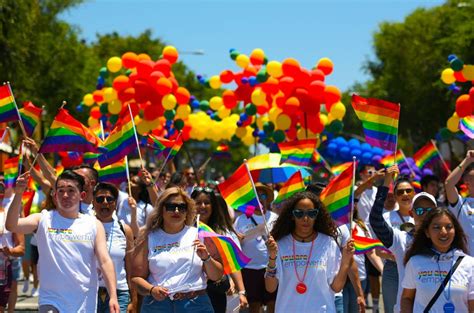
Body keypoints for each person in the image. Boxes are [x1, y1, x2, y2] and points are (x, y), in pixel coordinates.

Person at [6, 171, 119, 312]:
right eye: (61, 191)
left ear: (82, 196)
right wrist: (18, 193)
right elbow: (11, 225)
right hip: (51, 300)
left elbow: (104, 261)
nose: (65, 195)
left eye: (71, 191)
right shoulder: (43, 219)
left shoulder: (94, 225)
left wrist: (113, 296)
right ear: (54, 195)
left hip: (84, 301)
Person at [132, 187, 223, 313]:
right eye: (171, 206)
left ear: (187, 211)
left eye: (182, 207)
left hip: (196, 305)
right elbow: (136, 278)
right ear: (161, 209)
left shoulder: (199, 234)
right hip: (158, 306)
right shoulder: (148, 237)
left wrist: (206, 258)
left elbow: (216, 276)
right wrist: (151, 290)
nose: (176, 211)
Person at [264, 191, 355, 312]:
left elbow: (336, 287)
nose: (305, 218)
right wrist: (272, 257)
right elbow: (270, 288)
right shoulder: (280, 245)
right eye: (299, 213)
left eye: (311, 213)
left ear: (317, 215)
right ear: (292, 215)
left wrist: (346, 261)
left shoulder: (328, 243)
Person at [369, 165, 437, 312]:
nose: (425, 214)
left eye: (430, 210)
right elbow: (375, 219)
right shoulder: (402, 239)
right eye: (419, 210)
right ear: (412, 214)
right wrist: (386, 183)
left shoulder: (445, 241)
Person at [401, 208, 474, 311]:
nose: (443, 232)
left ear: (455, 231)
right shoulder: (415, 262)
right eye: (436, 227)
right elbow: (407, 298)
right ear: (427, 232)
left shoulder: (469, 264)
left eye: (449, 227)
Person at [191, 187, 248, 312]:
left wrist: (241, 291)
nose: (202, 206)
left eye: (207, 202)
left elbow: (232, 262)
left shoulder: (222, 232)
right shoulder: (184, 230)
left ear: (213, 206)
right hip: (189, 292)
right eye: (198, 202)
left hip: (215, 290)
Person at [234, 183, 279, 313]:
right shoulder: (241, 219)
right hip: (250, 269)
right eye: (256, 196)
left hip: (271, 267)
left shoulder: (275, 218)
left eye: (263, 195)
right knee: (254, 305)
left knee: (272, 303)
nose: (260, 198)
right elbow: (234, 245)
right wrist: (238, 239)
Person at [93, 183, 136, 313]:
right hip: (89, 293)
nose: (105, 202)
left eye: (109, 199)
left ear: (115, 203)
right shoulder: (83, 226)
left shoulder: (125, 229)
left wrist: (133, 300)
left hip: (119, 293)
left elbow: (130, 267)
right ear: (93, 202)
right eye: (100, 199)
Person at [380, 176, 415, 313]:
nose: (405, 194)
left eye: (408, 191)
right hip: (393, 270)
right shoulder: (387, 218)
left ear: (414, 193)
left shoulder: (421, 216)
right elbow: (379, 251)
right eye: (400, 192)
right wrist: (399, 256)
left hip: (417, 267)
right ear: (395, 196)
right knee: (391, 309)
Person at [0, 177, 25, 313]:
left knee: (12, 287)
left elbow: (21, 247)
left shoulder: (10, 212)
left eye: (1, 188)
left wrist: (8, 251)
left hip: (6, 263)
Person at [445, 150, 474, 255]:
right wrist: (467, 160)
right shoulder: (460, 203)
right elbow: (449, 183)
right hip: (467, 265)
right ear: (467, 183)